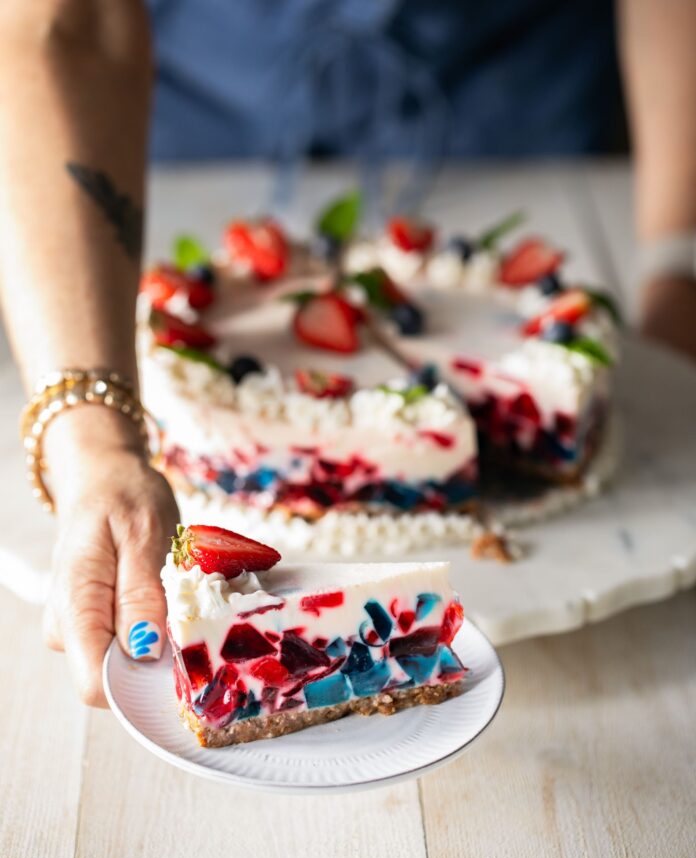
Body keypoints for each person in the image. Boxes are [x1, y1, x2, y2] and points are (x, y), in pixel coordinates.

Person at [0, 0, 694, 707]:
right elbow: (64, 25)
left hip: (514, 121)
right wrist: (93, 438)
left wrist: (680, 260)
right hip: (194, 132)